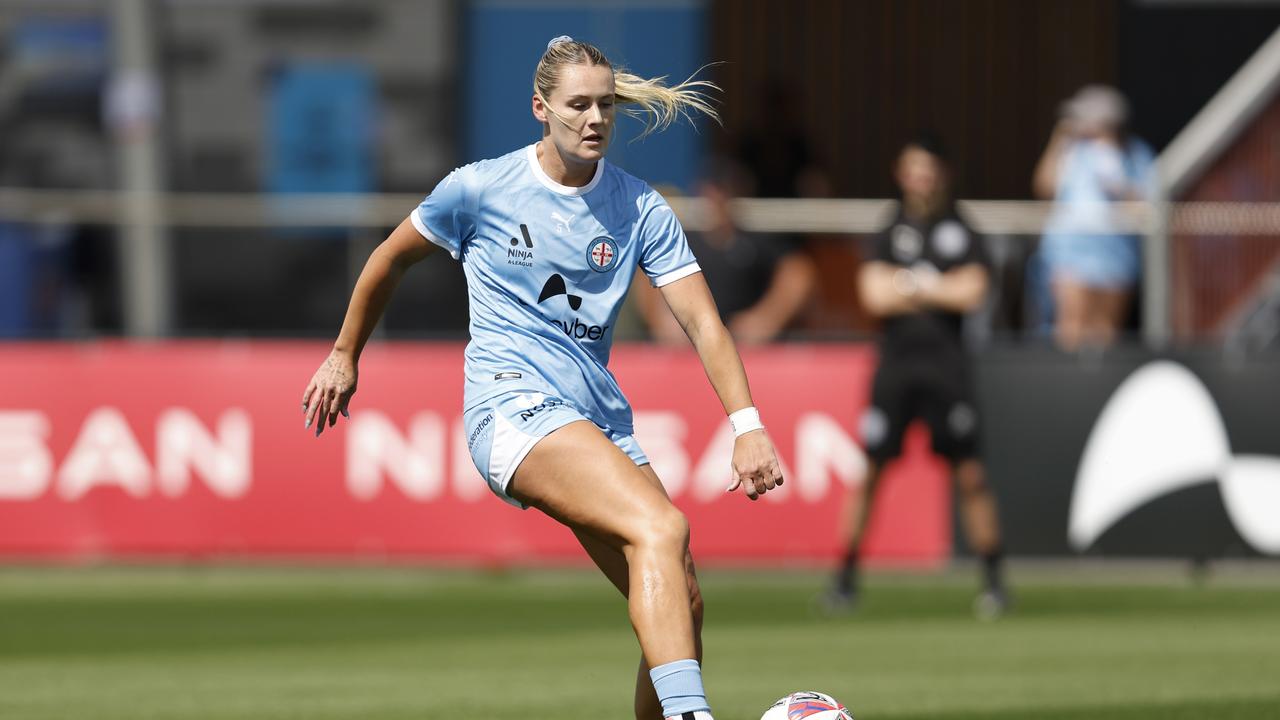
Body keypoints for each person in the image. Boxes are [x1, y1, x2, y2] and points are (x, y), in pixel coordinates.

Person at [300, 36, 783, 720]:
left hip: (597, 420)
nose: (594, 119)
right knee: (662, 527)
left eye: (605, 105)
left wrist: (748, 426)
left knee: (684, 597)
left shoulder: (641, 208)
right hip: (511, 406)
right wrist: (345, 353)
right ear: (540, 109)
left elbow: (704, 324)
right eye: (578, 105)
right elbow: (389, 259)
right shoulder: (479, 189)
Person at [827, 135, 1008, 618]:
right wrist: (934, 285)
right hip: (897, 369)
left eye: (928, 167)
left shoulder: (963, 230)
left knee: (970, 474)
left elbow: (973, 292)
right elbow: (873, 295)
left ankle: (994, 581)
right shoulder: (888, 230)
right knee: (870, 472)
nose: (920, 177)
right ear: (901, 173)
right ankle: (844, 579)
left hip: (948, 369)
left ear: (942, 173)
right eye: (912, 167)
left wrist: (908, 283)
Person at [636, 160, 816, 345]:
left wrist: (766, 318)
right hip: (687, 348)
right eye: (710, 191)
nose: (716, 199)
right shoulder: (683, 239)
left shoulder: (754, 239)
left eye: (723, 191)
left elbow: (798, 273)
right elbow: (648, 272)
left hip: (744, 348)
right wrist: (662, 319)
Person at [1032, 84, 1156, 350]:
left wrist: (1120, 183)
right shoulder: (1069, 150)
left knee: (1105, 333)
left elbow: (1149, 204)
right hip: (1070, 253)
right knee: (1071, 329)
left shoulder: (1135, 154)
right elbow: (1044, 188)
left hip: (1116, 255)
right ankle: (1067, 390)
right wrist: (1058, 140)